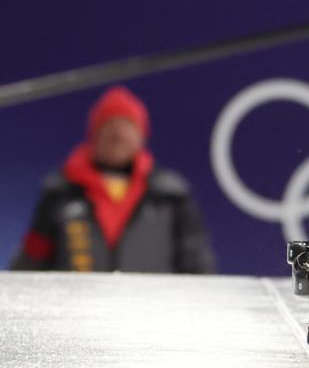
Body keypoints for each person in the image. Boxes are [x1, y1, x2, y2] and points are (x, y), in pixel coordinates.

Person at [9, 86, 215, 273]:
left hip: (152, 302)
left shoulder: (170, 195)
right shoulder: (61, 191)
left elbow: (196, 262)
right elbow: (33, 256)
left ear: (141, 135)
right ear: (94, 134)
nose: (118, 134)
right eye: (109, 125)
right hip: (77, 300)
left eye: (127, 125)